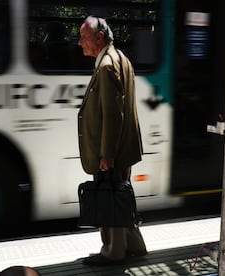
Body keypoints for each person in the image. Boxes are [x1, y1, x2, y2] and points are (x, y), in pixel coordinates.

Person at [77, 16, 147, 266]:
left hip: (111, 150)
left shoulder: (106, 65)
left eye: (84, 36)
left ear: (99, 37)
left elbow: (112, 114)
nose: (79, 42)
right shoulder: (121, 58)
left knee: (110, 197)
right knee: (121, 195)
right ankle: (135, 245)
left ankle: (113, 251)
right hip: (122, 146)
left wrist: (106, 154)